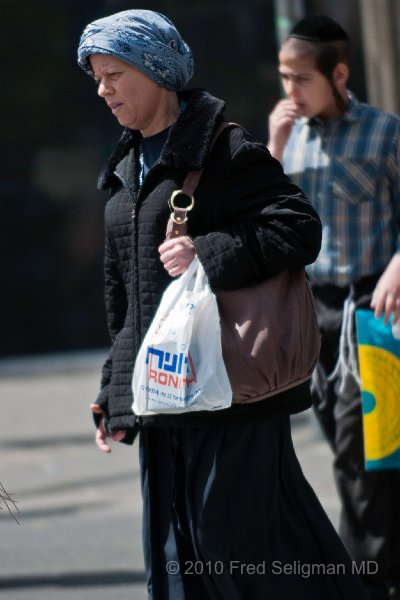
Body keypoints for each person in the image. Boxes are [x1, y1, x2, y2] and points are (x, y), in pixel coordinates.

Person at [77, 10, 370, 599]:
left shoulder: (223, 146)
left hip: (228, 390)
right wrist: (115, 387)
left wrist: (207, 253)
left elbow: (297, 227)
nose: (103, 90)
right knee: (179, 554)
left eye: (114, 74)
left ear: (155, 71)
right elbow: (126, 294)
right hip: (163, 393)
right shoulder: (125, 163)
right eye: (97, 78)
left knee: (238, 553)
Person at [268, 14, 400, 600]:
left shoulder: (383, 133)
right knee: (340, 442)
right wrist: (272, 146)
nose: (290, 91)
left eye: (300, 78)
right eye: (283, 77)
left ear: (338, 73)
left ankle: (365, 580)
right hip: (307, 310)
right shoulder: (286, 136)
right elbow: (262, 215)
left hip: (367, 309)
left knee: (362, 451)